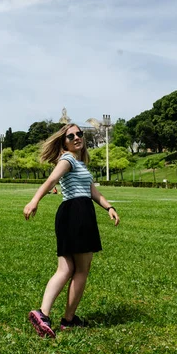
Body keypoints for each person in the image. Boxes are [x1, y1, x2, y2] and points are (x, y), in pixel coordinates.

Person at [23, 123, 120, 338]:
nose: (77, 137)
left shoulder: (80, 163)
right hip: (78, 213)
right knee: (81, 270)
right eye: (71, 136)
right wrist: (34, 201)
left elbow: (93, 191)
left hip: (70, 213)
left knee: (65, 269)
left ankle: (43, 314)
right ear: (64, 142)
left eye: (79, 134)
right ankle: (68, 320)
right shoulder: (67, 160)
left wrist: (109, 207)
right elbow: (51, 180)